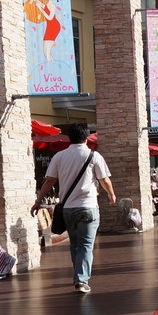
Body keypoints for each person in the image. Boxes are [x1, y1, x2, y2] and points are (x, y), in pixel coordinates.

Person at [31, 123, 116, 294]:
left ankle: (79, 276)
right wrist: (111, 194)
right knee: (86, 245)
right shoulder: (94, 156)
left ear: (70, 137)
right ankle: (81, 280)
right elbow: (104, 180)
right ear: (86, 138)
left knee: (75, 244)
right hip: (88, 207)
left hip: (68, 208)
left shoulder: (59, 156)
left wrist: (38, 201)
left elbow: (49, 180)